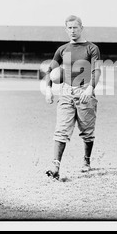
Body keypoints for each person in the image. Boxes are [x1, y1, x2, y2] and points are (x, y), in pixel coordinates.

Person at [45, 15, 101, 180]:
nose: (72, 31)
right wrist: (48, 89)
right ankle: (55, 165)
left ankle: (87, 160)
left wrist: (90, 88)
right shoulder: (62, 50)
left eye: (75, 27)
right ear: (66, 29)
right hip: (66, 92)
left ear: (81, 28)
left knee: (87, 132)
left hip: (85, 92)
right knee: (61, 130)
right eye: (69, 28)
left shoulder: (92, 48)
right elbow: (50, 71)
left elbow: (96, 70)